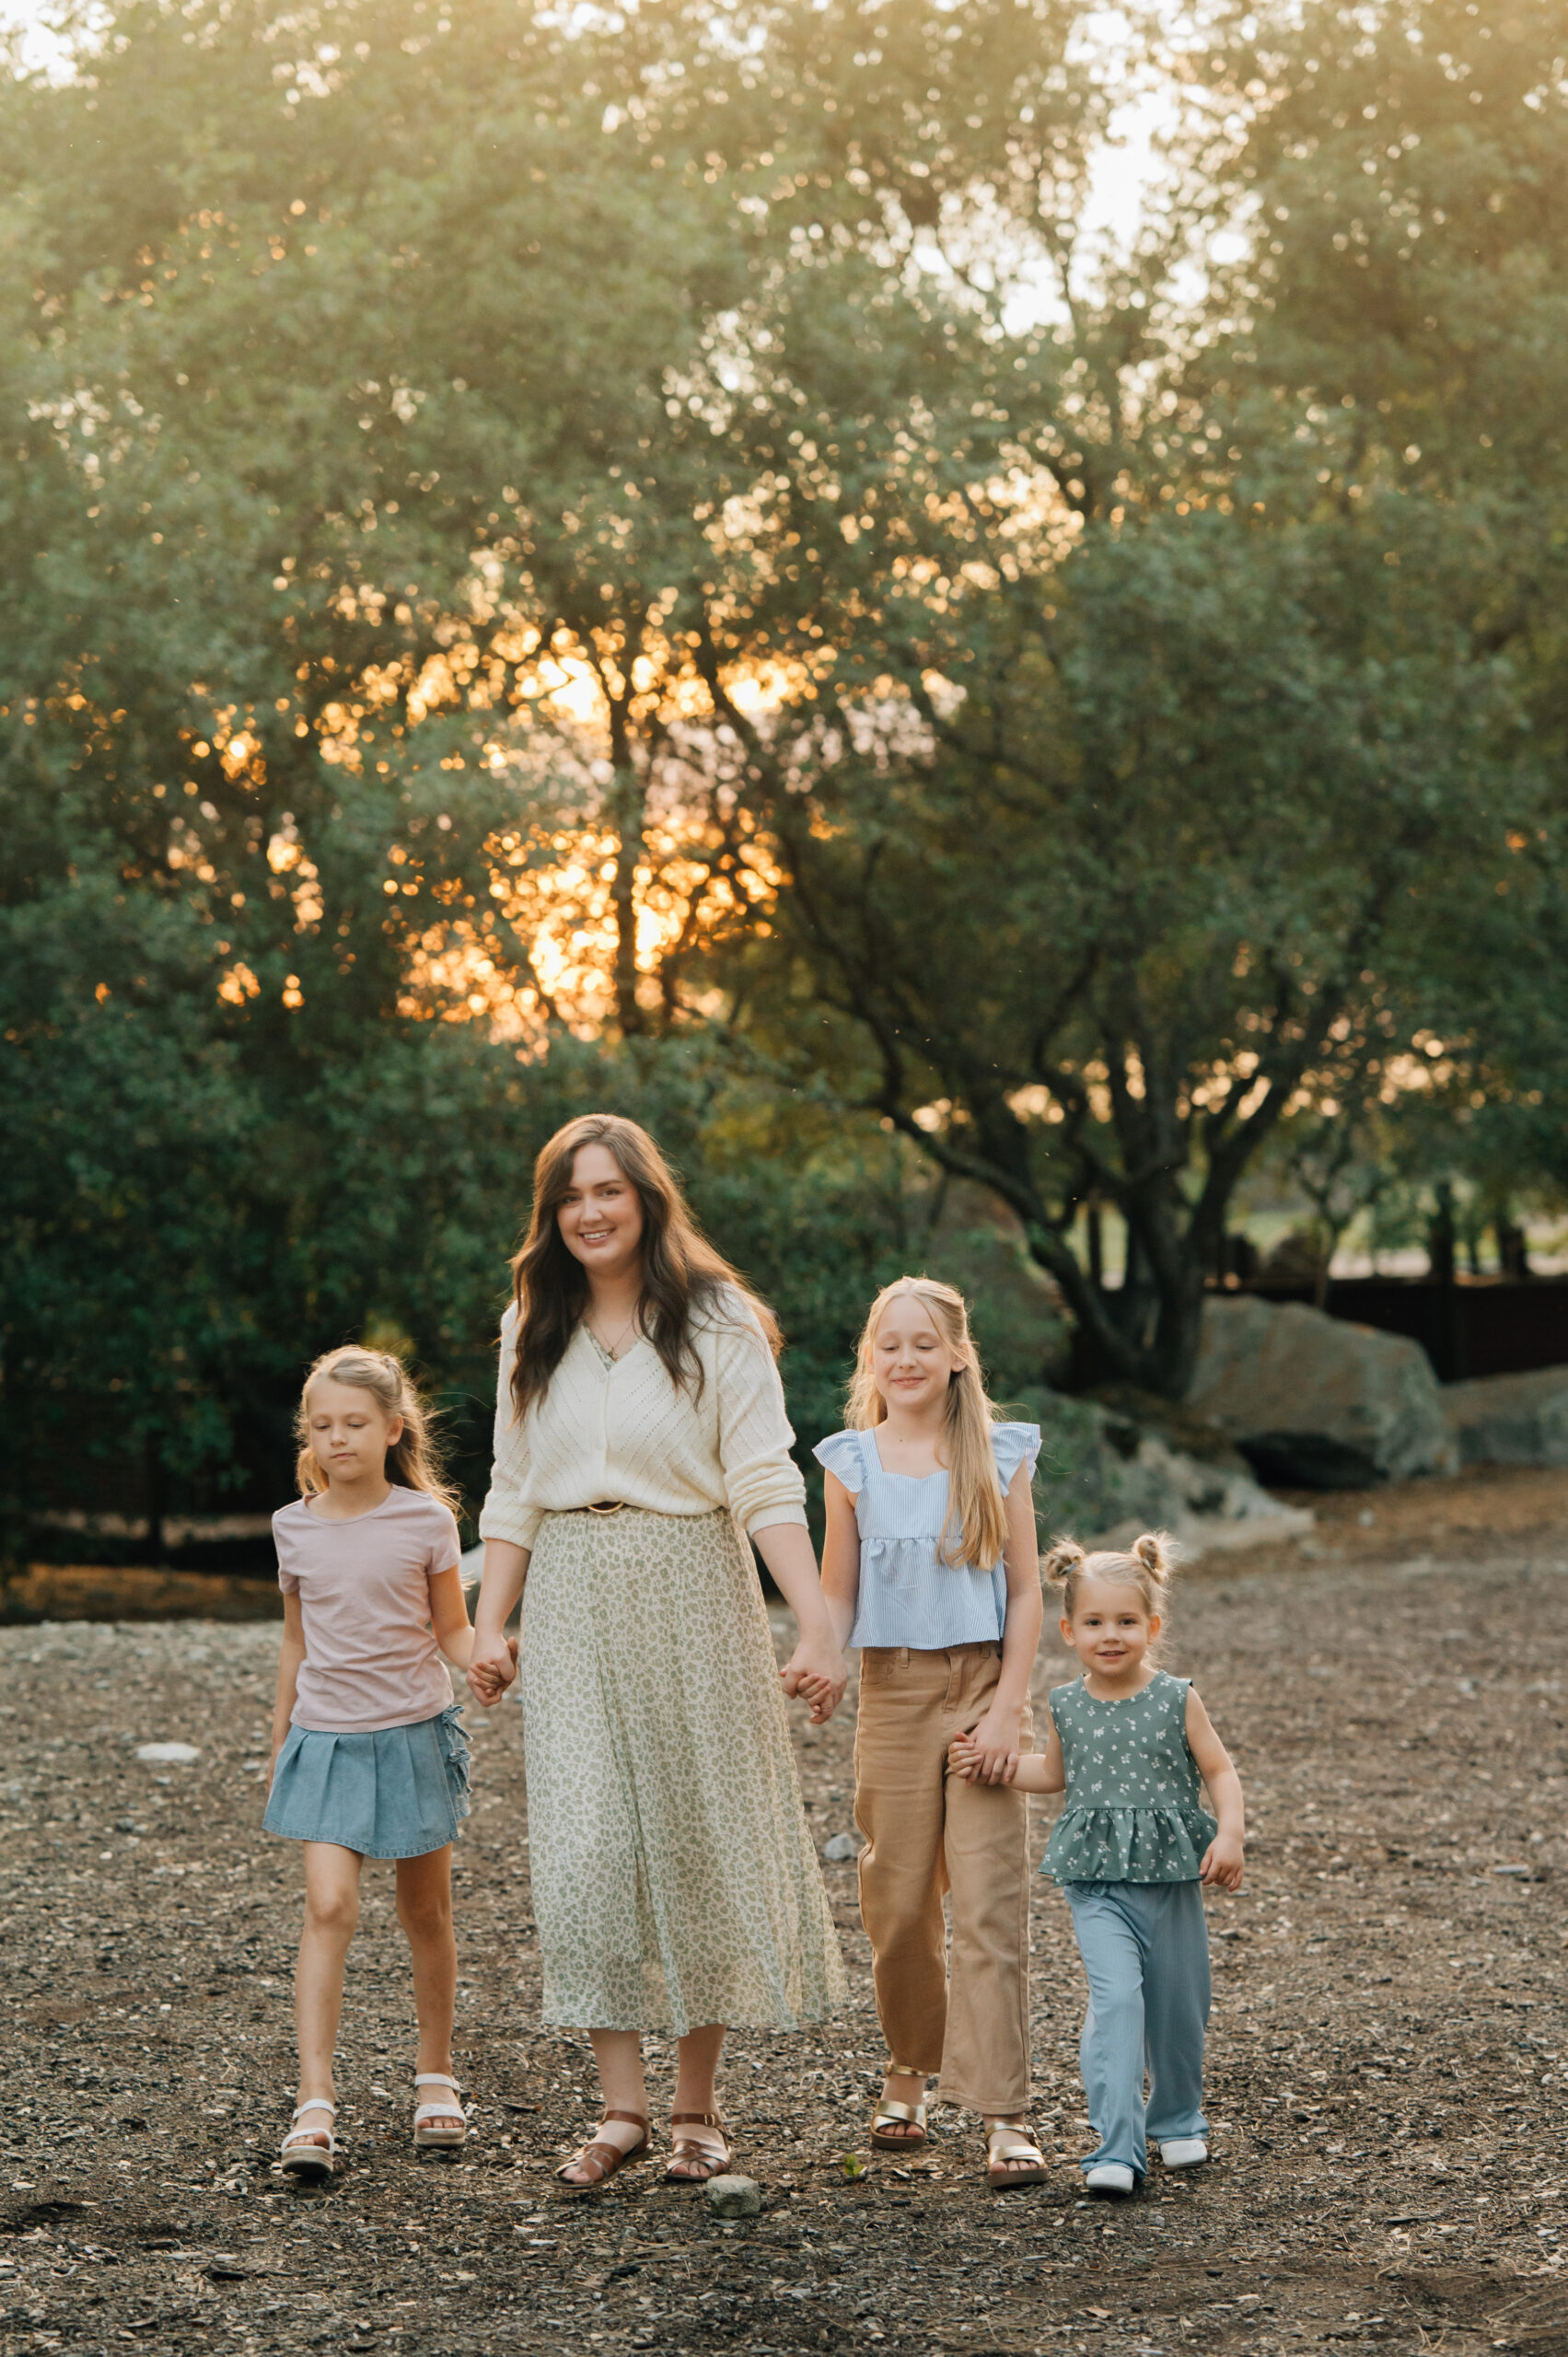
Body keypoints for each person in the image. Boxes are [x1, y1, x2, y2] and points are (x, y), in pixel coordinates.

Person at [467, 1113, 847, 2190]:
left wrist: (815, 1620)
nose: (589, 1212)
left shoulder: (716, 1319)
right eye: (569, 1197)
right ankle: (618, 2108)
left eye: (608, 1192)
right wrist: (492, 1622)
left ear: (645, 1199)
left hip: (692, 1580)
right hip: (576, 1594)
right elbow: (511, 1487)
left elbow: (766, 1477)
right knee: (589, 1846)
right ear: (552, 1215)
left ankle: (695, 2109)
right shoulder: (528, 1323)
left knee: (692, 1835)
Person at [816, 1276, 1046, 2188]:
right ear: (870, 1357)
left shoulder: (998, 1455)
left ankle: (1003, 2110)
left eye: (923, 1343)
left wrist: (1006, 1709)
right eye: (888, 1343)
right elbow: (836, 1593)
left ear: (957, 1355)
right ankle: (909, 2070)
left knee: (988, 1903)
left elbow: (1025, 1591)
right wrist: (820, 1656)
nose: (904, 1358)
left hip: (981, 1683)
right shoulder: (849, 1463)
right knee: (899, 1901)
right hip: (893, 1691)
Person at [264, 1346, 507, 2179]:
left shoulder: (427, 1523)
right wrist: (279, 1743)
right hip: (324, 1742)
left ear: (392, 1429)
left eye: (355, 1424)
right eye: (323, 1425)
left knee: (425, 1914)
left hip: (412, 1734)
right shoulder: (290, 1526)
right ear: (310, 1434)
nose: (338, 1438)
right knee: (328, 1908)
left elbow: (451, 1632)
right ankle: (314, 2101)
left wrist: (491, 1654)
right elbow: (295, 1643)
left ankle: (435, 2078)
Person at [952, 1530, 1245, 2195]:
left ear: (1152, 1625)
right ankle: (1115, 2147)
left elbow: (1219, 1770)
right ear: (1066, 1630)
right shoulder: (1066, 1706)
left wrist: (1229, 1834)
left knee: (1177, 2006)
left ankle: (1174, 2121)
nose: (1108, 1635)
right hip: (1097, 1884)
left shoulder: (1176, 1698)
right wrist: (992, 1766)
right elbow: (1053, 1774)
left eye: (1124, 1621)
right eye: (1093, 1622)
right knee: (1115, 2003)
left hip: (1172, 1880)